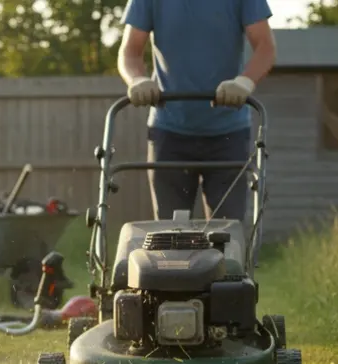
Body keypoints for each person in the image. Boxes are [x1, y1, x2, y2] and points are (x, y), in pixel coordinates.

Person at [118, 0, 276, 223]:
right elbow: (130, 52)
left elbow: (265, 47)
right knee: (168, 233)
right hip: (169, 130)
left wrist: (244, 83)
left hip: (227, 134)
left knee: (227, 231)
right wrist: (137, 79)